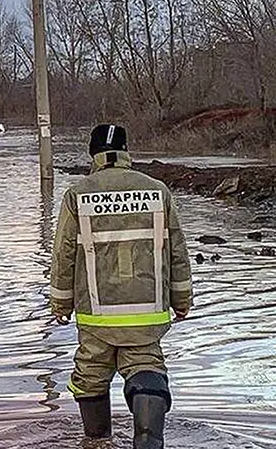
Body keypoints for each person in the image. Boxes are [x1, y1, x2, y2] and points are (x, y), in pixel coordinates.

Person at [50, 124, 193, 449]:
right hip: (147, 313)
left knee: (90, 377)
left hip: (97, 316)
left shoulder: (78, 195)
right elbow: (178, 252)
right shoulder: (158, 192)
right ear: (127, 152)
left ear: (93, 154)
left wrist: (61, 304)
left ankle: (98, 441)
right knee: (147, 368)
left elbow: (64, 255)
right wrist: (181, 299)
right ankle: (148, 442)